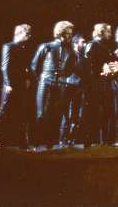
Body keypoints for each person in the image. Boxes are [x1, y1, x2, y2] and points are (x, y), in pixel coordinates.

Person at [30, 21, 80, 149]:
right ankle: (36, 143)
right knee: (41, 113)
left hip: (60, 84)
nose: (70, 36)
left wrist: (63, 75)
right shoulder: (46, 46)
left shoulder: (71, 51)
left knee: (55, 114)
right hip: (46, 82)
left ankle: (49, 143)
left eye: (71, 34)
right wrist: (42, 79)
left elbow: (71, 69)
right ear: (60, 33)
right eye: (67, 33)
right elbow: (34, 66)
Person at [0, 24, 33, 149]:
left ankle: (23, 142)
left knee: (22, 111)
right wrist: (8, 83)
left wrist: (27, 79)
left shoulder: (24, 48)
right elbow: (5, 66)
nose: (29, 37)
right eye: (27, 34)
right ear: (20, 33)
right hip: (10, 84)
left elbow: (26, 66)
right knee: (4, 110)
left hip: (21, 83)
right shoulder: (8, 46)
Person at [83, 23, 118, 146]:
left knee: (107, 112)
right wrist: (100, 70)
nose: (110, 34)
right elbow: (87, 64)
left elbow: (112, 62)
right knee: (93, 112)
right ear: (101, 32)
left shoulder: (106, 47)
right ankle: (90, 141)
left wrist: (115, 67)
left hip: (105, 83)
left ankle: (105, 141)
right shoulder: (92, 44)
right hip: (95, 84)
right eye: (108, 31)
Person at [59, 34, 87, 146]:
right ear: (75, 43)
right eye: (82, 42)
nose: (84, 44)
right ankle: (63, 140)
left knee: (76, 114)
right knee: (68, 115)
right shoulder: (70, 55)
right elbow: (65, 70)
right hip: (69, 86)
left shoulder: (83, 57)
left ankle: (72, 139)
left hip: (78, 87)